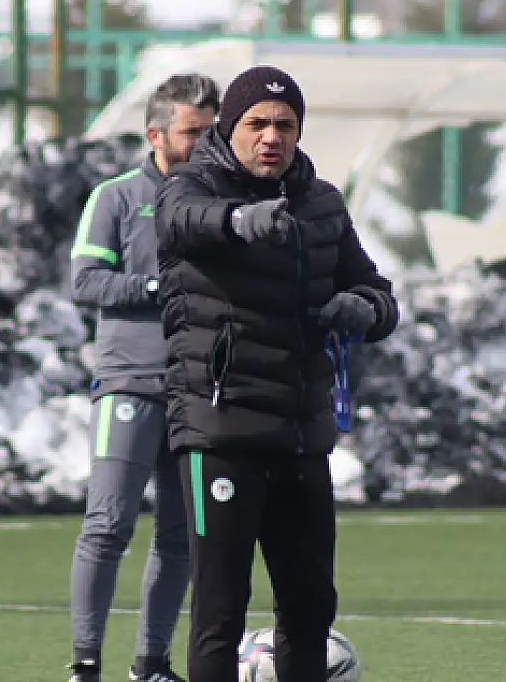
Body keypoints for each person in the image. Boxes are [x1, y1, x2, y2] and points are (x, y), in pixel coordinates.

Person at [153, 65, 399, 682]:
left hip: (299, 435)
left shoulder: (321, 202)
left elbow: (376, 288)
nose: (271, 137)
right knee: (220, 612)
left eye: (285, 125)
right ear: (230, 127)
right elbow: (181, 221)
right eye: (257, 123)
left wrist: (363, 308)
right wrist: (238, 222)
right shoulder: (190, 184)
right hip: (220, 431)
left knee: (310, 607)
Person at [66, 73, 221, 682]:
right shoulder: (115, 198)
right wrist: (159, 287)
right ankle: (85, 666)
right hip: (129, 383)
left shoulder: (220, 200)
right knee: (108, 525)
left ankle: (150, 665)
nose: (204, 142)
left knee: (180, 539)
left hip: (195, 391)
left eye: (211, 131)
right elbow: (85, 281)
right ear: (155, 135)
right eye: (192, 132)